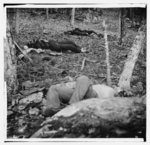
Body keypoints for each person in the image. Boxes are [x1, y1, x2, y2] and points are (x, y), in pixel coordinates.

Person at [42, 75, 116, 117]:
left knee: (83, 78)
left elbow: (107, 104)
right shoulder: (94, 85)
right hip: (79, 96)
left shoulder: (109, 90)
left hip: (93, 99)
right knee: (53, 88)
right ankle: (53, 110)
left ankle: (71, 107)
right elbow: (78, 88)